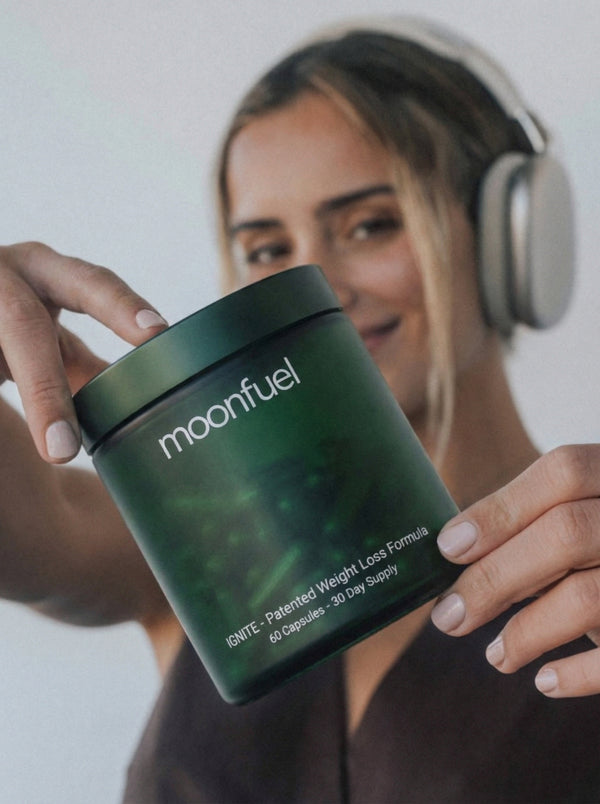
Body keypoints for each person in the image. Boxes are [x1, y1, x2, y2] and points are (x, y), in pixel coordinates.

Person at [1, 15, 600, 802]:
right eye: (267, 248)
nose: (317, 282)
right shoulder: (195, 551)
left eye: (371, 225)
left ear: (511, 243)